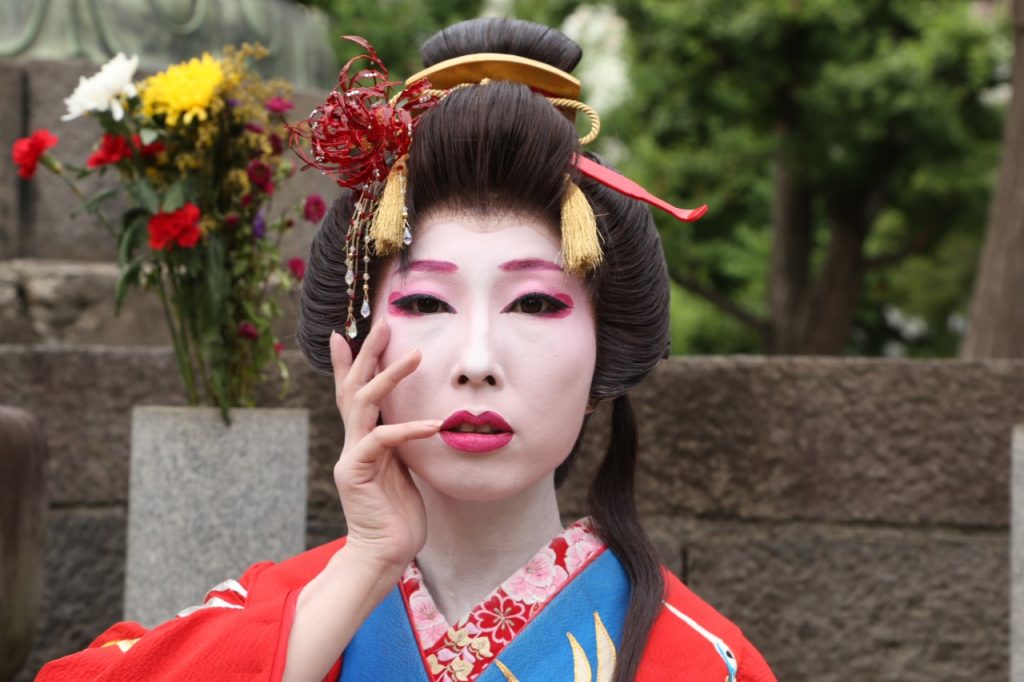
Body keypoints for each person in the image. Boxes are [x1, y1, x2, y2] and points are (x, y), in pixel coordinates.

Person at [37, 17, 777, 682]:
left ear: (604, 345)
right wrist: (366, 563)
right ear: (359, 348)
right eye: (425, 302)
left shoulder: (699, 660)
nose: (476, 360)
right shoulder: (289, 611)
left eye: (537, 303)